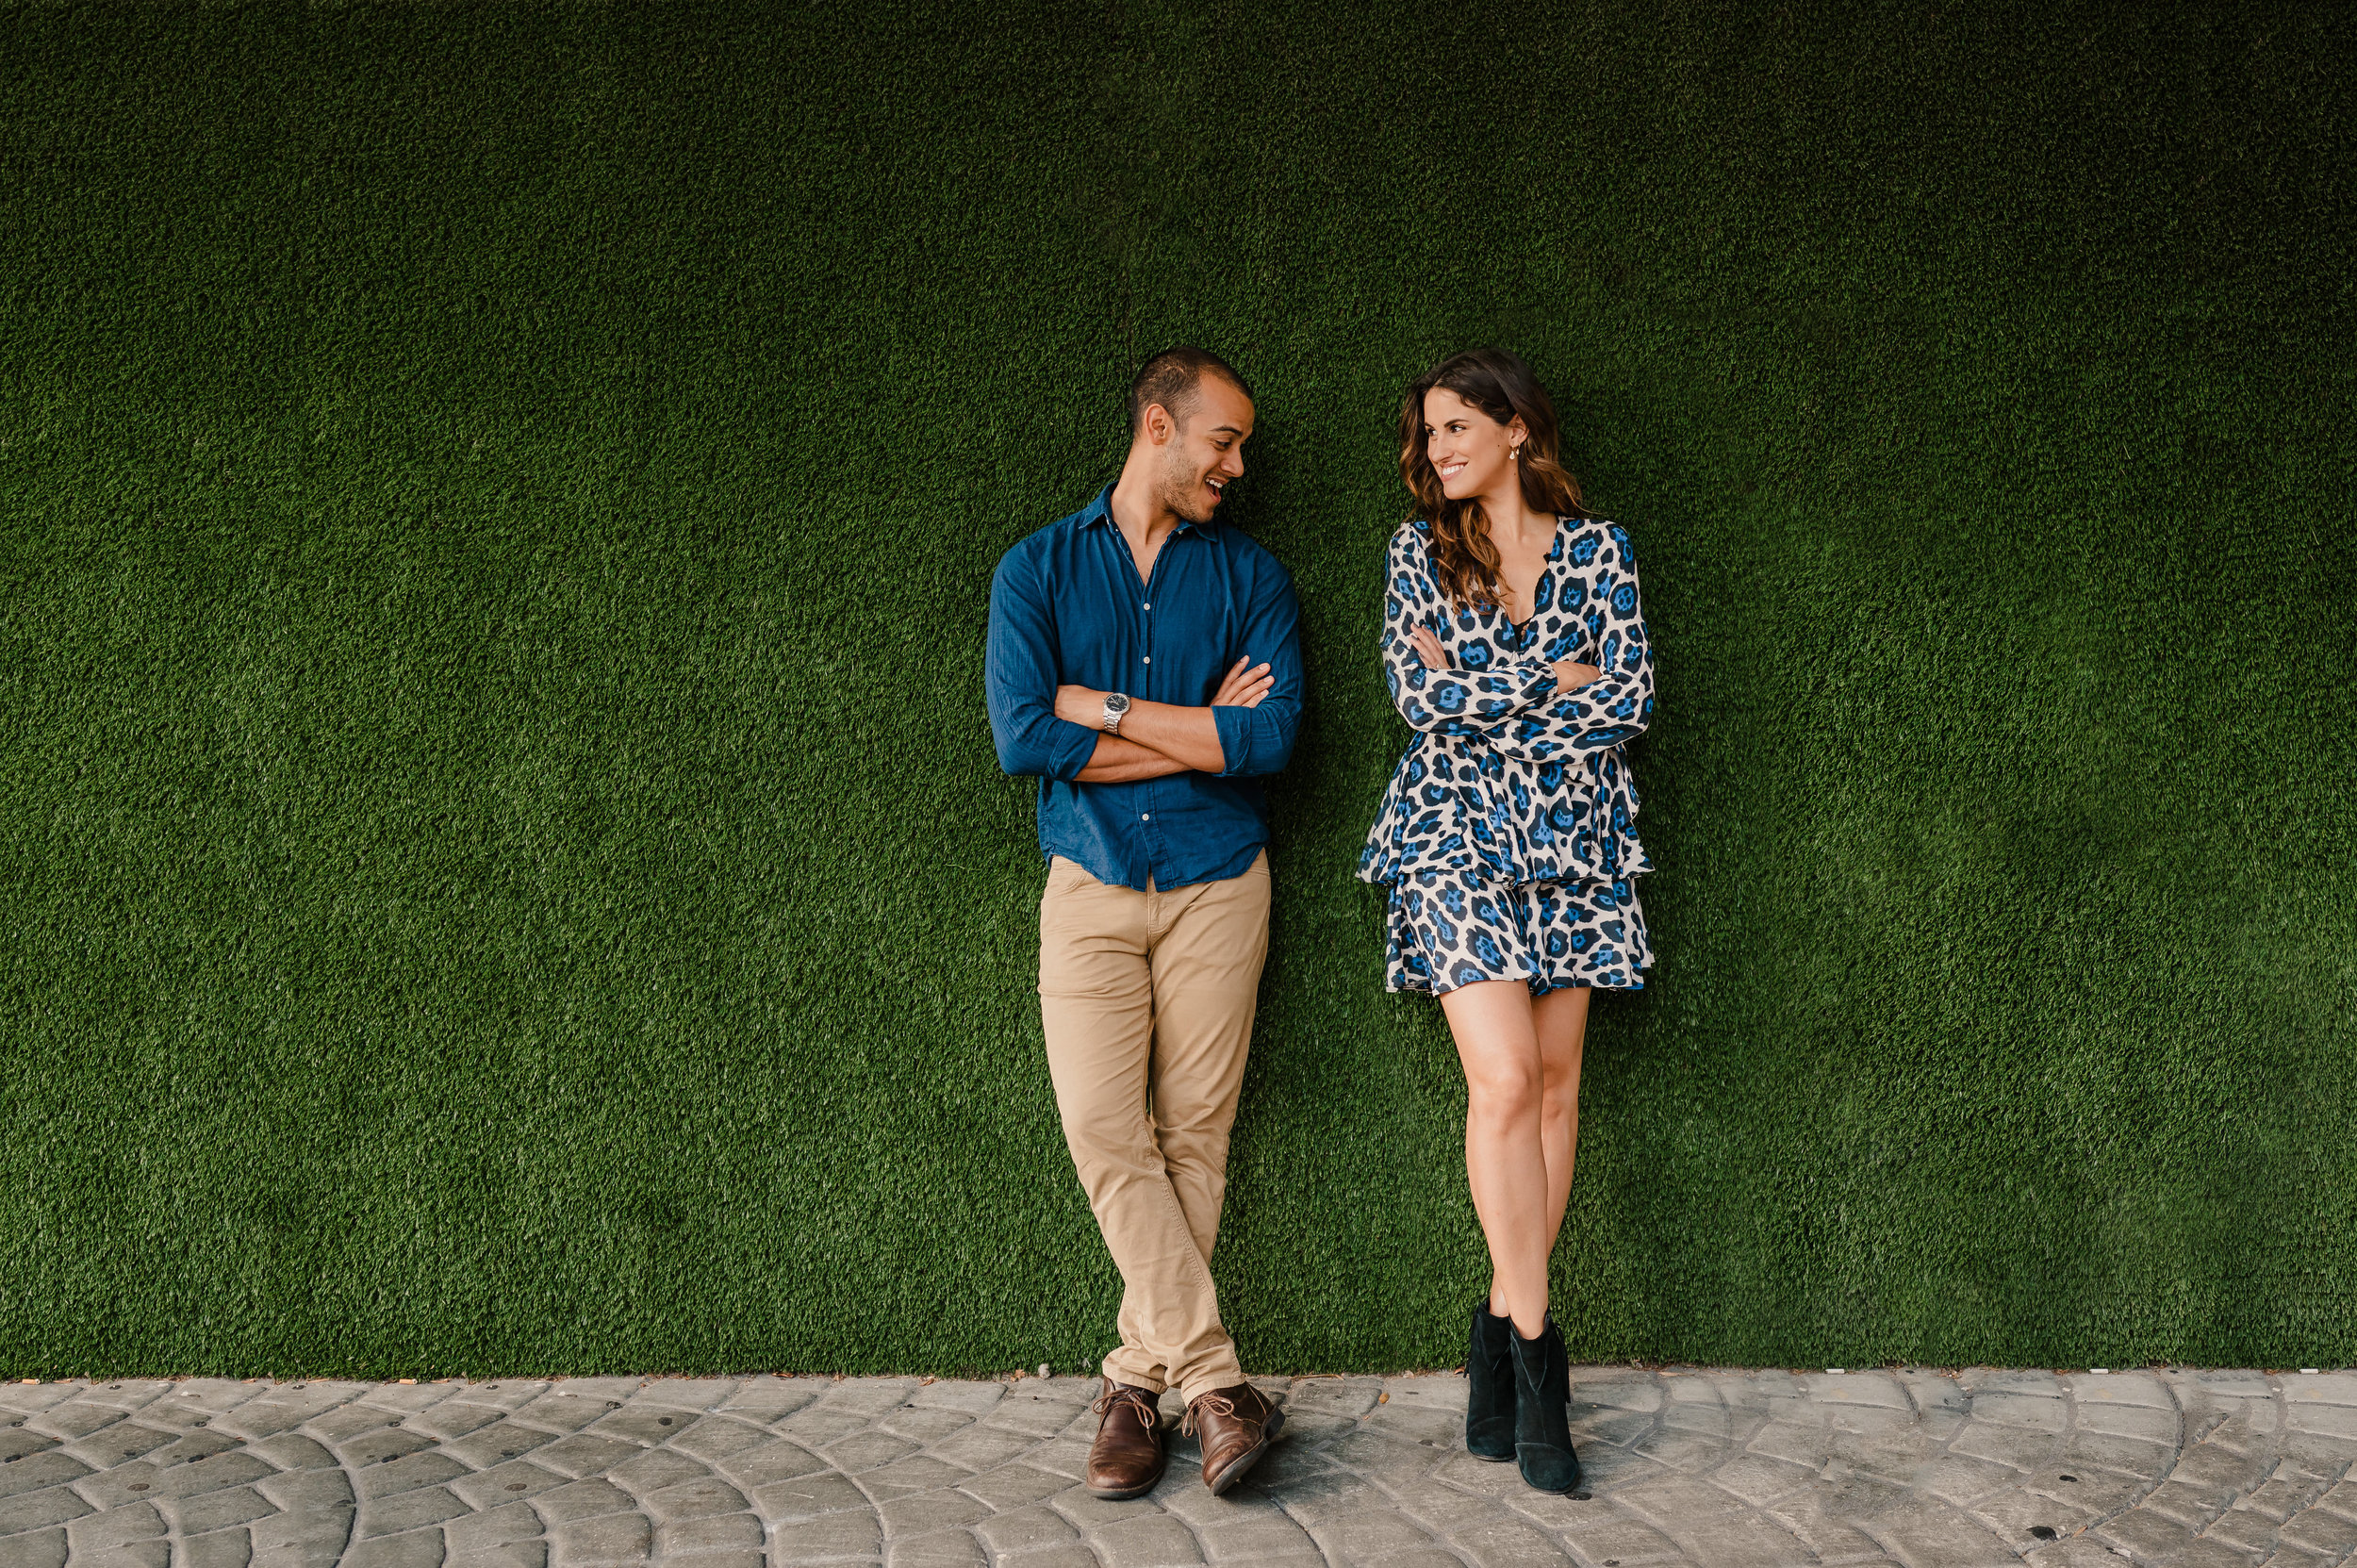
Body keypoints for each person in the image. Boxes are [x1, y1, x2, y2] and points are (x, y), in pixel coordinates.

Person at [985, 347, 1304, 1500]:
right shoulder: (1035, 569)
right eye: (1223, 439)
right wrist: (1190, 725)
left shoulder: (1251, 576)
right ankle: (1216, 1383)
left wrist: (1103, 708)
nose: (1236, 463)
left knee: (1193, 1134)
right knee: (1099, 1123)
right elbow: (1024, 736)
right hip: (1091, 886)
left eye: (1243, 447)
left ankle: (1132, 1387)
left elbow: (1265, 744)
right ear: (1158, 429)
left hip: (1222, 880)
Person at [1357, 348, 1656, 1494]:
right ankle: (1537, 1353)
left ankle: (1491, 1332)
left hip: (1576, 837)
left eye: (1452, 427)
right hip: (1452, 833)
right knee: (1504, 1082)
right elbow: (1416, 696)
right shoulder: (1414, 552)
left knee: (1559, 1085)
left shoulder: (1600, 551)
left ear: (1518, 429)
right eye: (1426, 433)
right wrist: (1554, 684)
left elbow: (1626, 694)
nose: (1434, 450)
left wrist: (1489, 685)